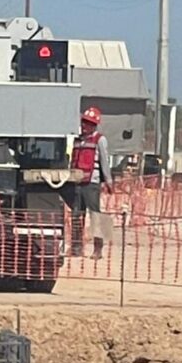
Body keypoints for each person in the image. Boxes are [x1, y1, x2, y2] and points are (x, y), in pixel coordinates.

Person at [66, 106, 114, 261]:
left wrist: (108, 180)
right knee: (76, 216)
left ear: (94, 125)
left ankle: (98, 249)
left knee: (96, 216)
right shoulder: (78, 139)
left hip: (91, 184)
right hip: (77, 183)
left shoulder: (100, 139)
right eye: (84, 122)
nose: (85, 125)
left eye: (88, 123)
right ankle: (76, 248)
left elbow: (104, 162)